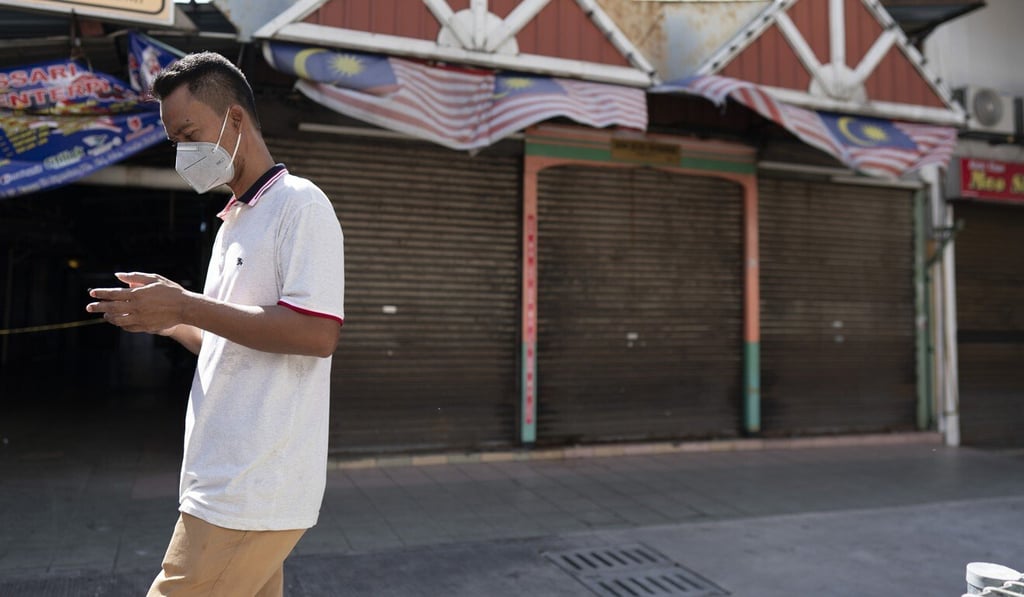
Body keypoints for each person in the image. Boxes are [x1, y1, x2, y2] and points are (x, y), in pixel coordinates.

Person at [86, 51, 345, 596]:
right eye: (174, 140)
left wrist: (186, 305)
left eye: (188, 133)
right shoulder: (234, 221)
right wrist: (164, 319)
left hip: (248, 490)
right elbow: (227, 338)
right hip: (226, 483)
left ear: (235, 119)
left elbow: (316, 334)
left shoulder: (301, 205)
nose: (182, 152)